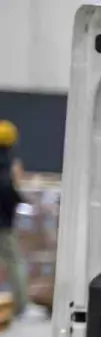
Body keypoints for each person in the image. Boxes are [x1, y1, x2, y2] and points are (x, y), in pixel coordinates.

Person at [0, 120, 27, 317]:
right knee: (14, 262)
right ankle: (21, 305)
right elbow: (14, 191)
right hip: (5, 222)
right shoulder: (13, 165)